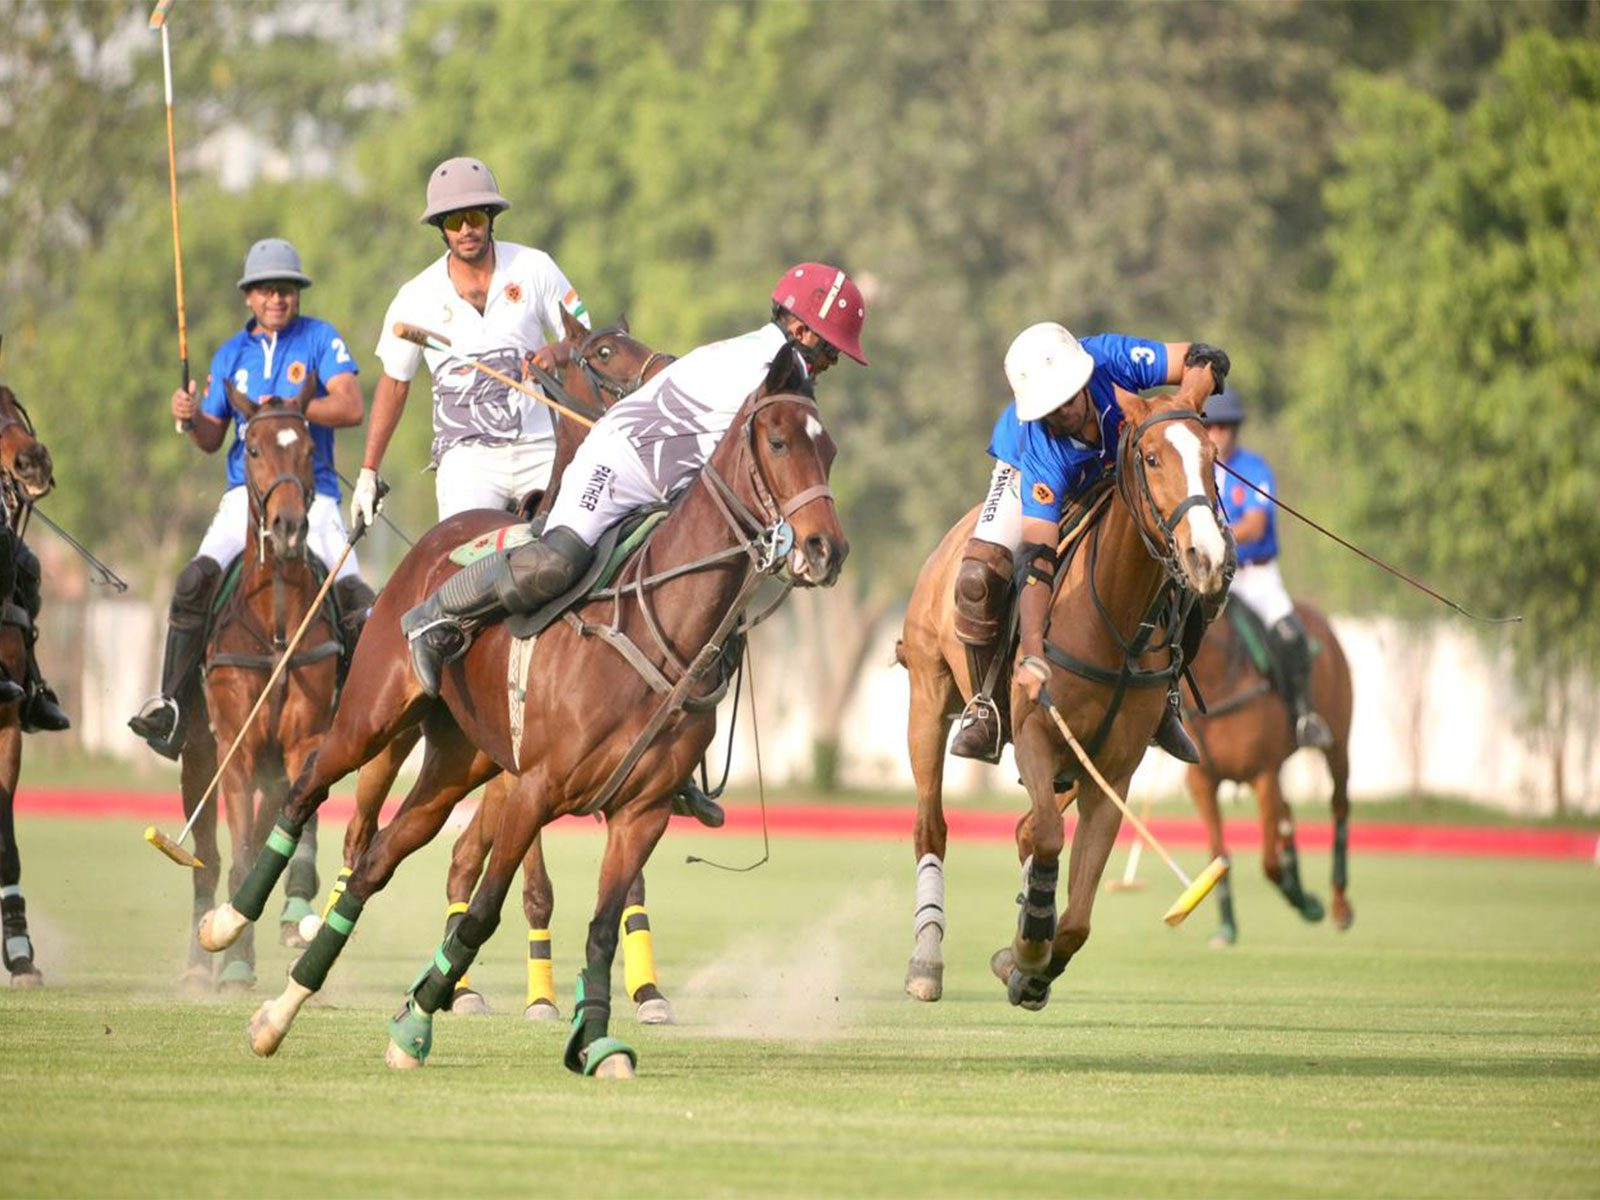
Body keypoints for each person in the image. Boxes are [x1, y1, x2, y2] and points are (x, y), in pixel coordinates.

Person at [400, 261, 867, 695]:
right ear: (801, 330)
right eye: (831, 347)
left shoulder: (779, 372)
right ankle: (434, 615)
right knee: (556, 561)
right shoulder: (768, 371)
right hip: (619, 462)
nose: (834, 361)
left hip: (669, 487)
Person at [129, 238, 373, 759]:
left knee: (357, 600)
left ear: (297, 294)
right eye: (266, 291)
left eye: (286, 290)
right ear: (249, 297)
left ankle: (359, 714)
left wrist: (282, 412)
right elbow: (212, 436)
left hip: (315, 494)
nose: (277, 299)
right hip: (245, 494)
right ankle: (172, 706)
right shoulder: (230, 355)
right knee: (193, 580)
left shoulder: (320, 340)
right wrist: (190, 415)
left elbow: (351, 406)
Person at [948, 321, 1230, 764]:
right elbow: (1040, 560)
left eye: (1069, 400)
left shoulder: (1109, 358)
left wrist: (1193, 392)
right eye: (1051, 408)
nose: (1064, 414)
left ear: (1084, 381)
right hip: (1024, 468)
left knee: (1193, 559)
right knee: (978, 577)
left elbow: (1198, 358)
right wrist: (1035, 652)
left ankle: (1165, 696)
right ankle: (987, 707)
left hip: (1116, 465)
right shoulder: (1042, 443)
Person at [351, 156, 588, 531]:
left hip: (541, 445)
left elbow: (583, 342)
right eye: (453, 221)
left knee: (577, 538)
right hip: (467, 457)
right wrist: (368, 472)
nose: (466, 230)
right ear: (440, 230)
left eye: (475, 218)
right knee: (464, 557)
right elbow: (395, 383)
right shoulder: (415, 296)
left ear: (491, 218)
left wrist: (554, 354)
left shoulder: (534, 267)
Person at [1203, 389, 1332, 748]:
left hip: (1256, 575)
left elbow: (1257, 524)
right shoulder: (1199, 470)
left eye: (1226, 426)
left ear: (1236, 430)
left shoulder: (1254, 468)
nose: (1219, 433)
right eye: (1212, 426)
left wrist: (1215, 534)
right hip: (1215, 576)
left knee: (1291, 635)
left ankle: (1305, 715)